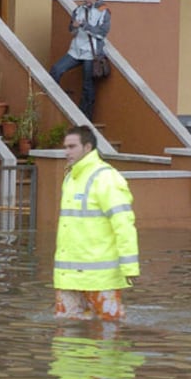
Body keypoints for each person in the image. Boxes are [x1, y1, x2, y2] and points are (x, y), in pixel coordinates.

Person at [53, 125, 140, 321]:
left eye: (72, 146)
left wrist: (130, 267)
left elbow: (123, 224)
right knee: (67, 336)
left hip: (100, 278)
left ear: (87, 147)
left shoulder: (106, 178)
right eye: (65, 147)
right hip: (68, 277)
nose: (66, 152)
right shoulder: (70, 178)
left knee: (109, 334)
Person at [49, 0, 111, 122]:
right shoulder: (79, 9)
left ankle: (84, 117)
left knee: (88, 85)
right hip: (76, 50)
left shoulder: (103, 10)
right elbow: (71, 31)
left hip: (91, 52)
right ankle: (56, 101)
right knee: (56, 70)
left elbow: (102, 33)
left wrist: (84, 25)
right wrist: (74, 26)